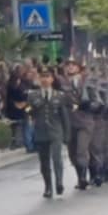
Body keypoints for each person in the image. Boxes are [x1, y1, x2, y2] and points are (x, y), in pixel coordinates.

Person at [28, 67, 71, 199]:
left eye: (47, 76)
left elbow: (65, 117)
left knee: (57, 158)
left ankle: (59, 182)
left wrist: (67, 134)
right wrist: (32, 107)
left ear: (52, 79)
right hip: (41, 131)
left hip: (56, 131)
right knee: (44, 162)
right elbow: (27, 111)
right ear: (39, 79)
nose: (45, 79)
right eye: (42, 76)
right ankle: (48, 186)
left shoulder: (60, 95)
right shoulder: (32, 95)